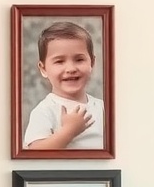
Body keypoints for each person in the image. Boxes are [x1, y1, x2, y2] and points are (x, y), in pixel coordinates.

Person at [23, 21, 104, 150]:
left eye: (79, 60)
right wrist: (69, 131)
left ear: (92, 63)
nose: (71, 68)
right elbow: (35, 152)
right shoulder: (45, 111)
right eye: (59, 61)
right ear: (43, 69)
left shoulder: (103, 108)